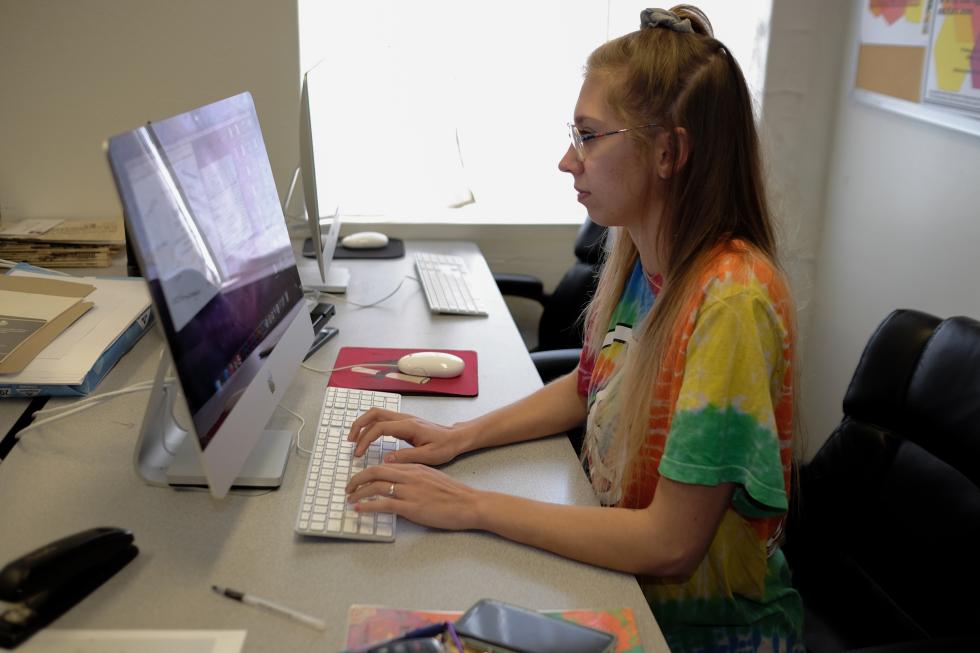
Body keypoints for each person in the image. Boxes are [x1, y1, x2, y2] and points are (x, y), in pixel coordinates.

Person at [345, 6, 805, 652]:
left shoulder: (731, 299)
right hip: (623, 591)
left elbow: (670, 544)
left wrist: (471, 506)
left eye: (588, 136)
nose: (568, 159)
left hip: (698, 636)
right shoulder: (646, 262)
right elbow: (586, 384)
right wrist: (457, 438)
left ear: (669, 152)